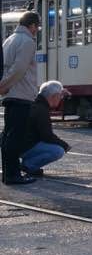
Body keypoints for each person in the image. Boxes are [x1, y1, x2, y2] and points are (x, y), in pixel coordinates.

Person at [0, 11, 41, 185]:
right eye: (37, 27)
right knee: (15, 136)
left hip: (11, 94)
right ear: (31, 25)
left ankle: (8, 172)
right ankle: (12, 174)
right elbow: (19, 68)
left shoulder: (9, 40)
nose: (37, 30)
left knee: (8, 135)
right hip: (20, 93)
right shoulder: (27, 42)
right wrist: (4, 84)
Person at [21, 81, 72, 177]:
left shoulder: (35, 103)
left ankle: (28, 163)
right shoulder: (41, 110)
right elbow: (47, 136)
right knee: (58, 150)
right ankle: (29, 165)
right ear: (54, 96)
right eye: (60, 96)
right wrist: (65, 145)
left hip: (18, 144)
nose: (61, 99)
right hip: (24, 146)